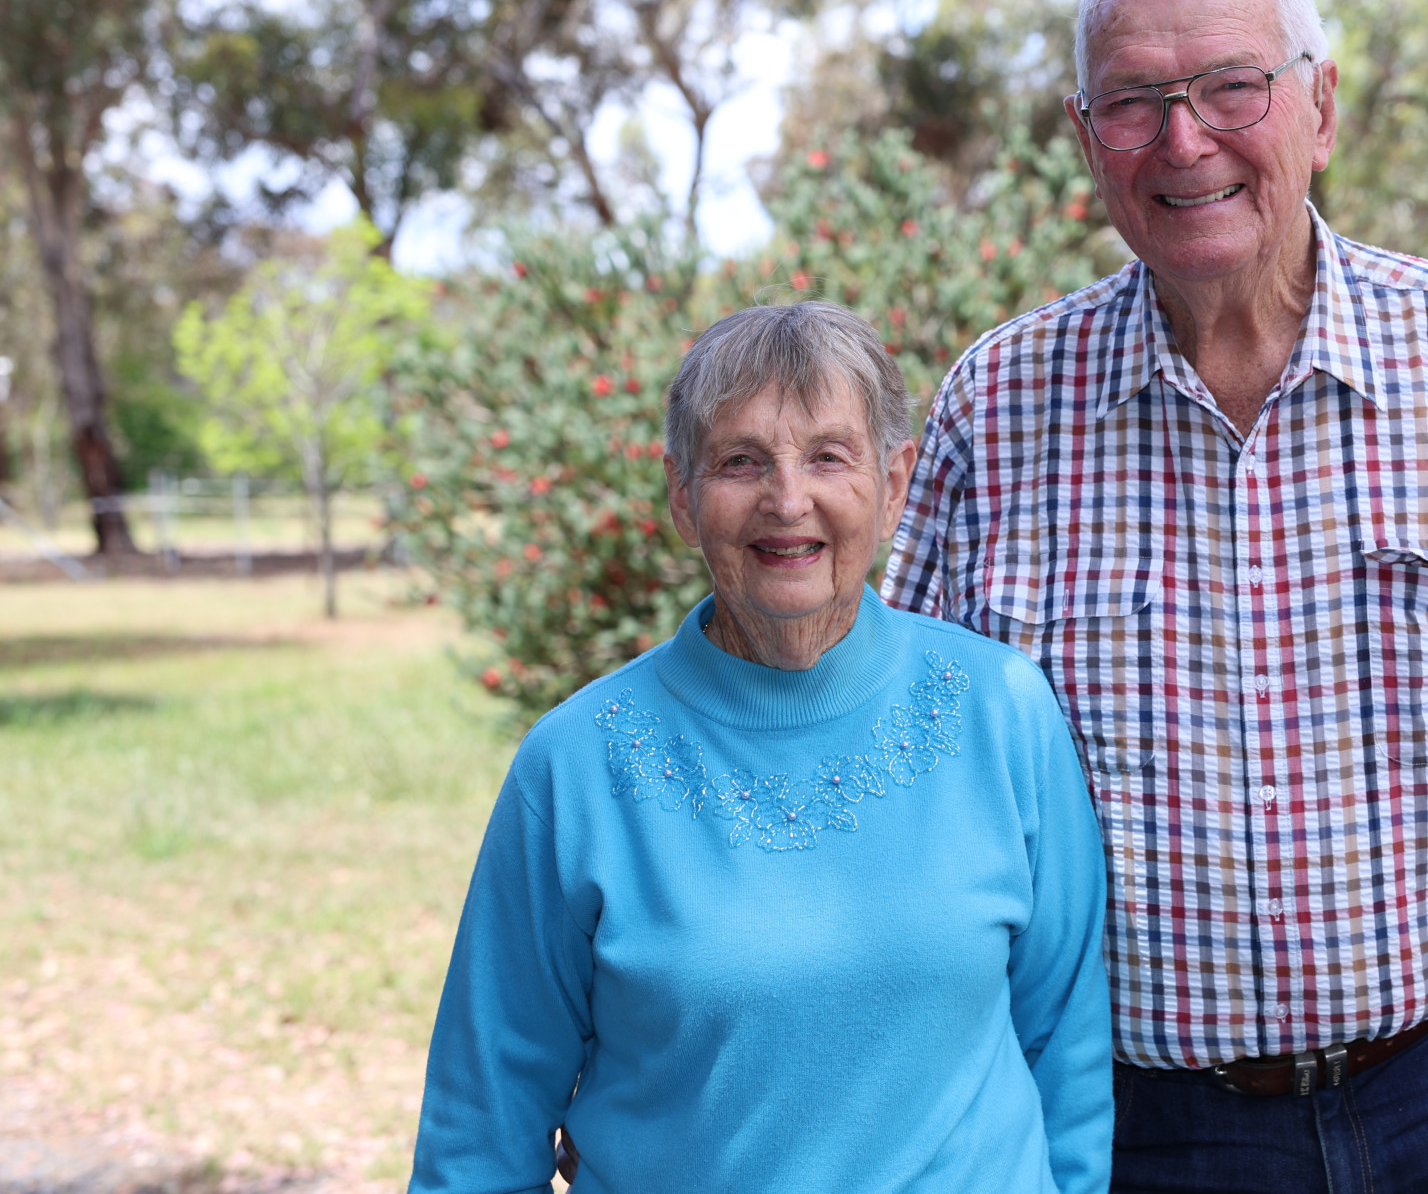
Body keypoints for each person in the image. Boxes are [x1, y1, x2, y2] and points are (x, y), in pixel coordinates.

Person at [883, 0, 1428, 1194]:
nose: (1183, 139)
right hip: (1148, 1131)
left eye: (1228, 87)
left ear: (1318, 108)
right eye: (1134, 103)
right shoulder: (996, 409)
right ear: (1083, 139)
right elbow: (900, 785)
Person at [410, 302, 1113, 1194]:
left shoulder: (1002, 713)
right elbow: (483, 1120)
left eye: (829, 455)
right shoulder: (575, 766)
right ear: (680, 493)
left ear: (895, 484)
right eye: (742, 461)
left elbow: (1067, 1048)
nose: (788, 500)